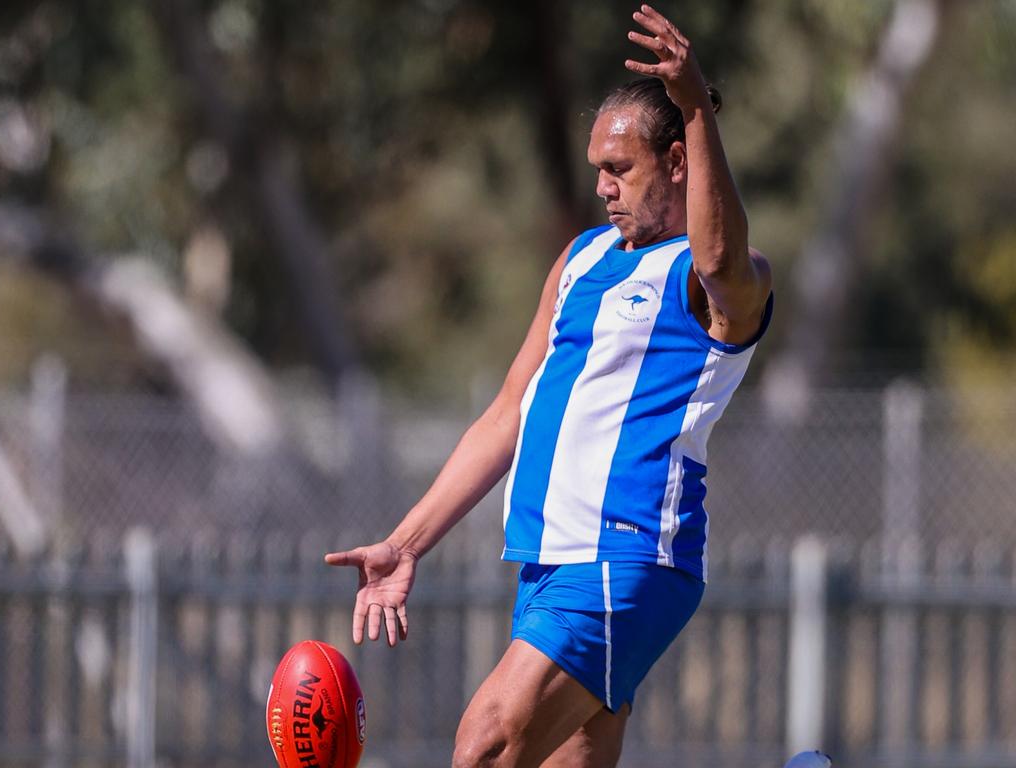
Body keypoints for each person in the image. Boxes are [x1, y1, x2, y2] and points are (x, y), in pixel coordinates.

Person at [325, 5, 773, 767]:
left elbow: (722, 258)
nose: (601, 186)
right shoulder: (581, 261)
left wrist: (696, 105)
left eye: (619, 169)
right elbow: (507, 414)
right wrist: (406, 545)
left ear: (675, 164)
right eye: (596, 166)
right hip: (548, 563)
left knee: (485, 746)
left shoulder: (714, 278)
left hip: (624, 555)